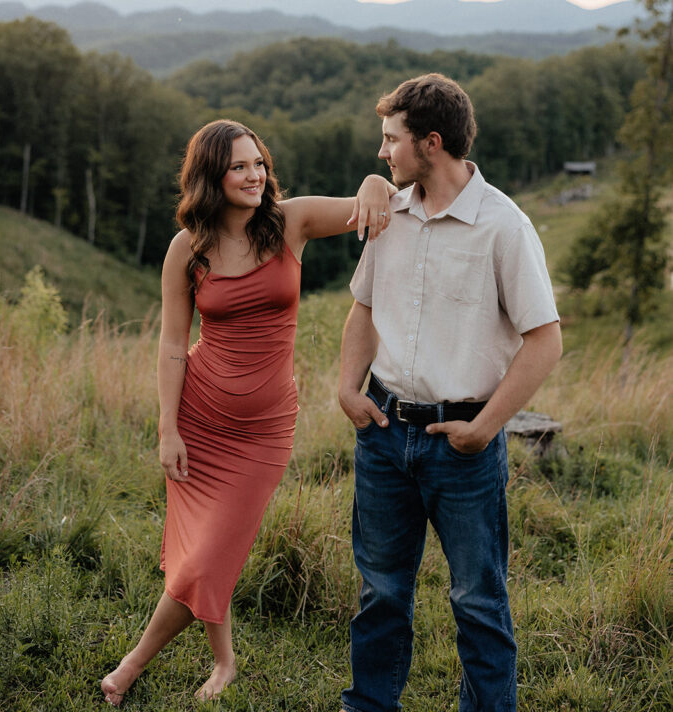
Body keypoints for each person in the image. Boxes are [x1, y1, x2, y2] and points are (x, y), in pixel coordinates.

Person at [101, 118, 393, 706]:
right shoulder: (188, 249)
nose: (254, 174)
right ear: (211, 175)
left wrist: (373, 179)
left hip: (263, 431)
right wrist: (167, 429)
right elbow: (170, 343)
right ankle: (224, 662)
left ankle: (130, 666)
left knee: (210, 552)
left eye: (258, 162)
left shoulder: (291, 223)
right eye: (239, 166)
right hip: (200, 417)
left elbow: (371, 203)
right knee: (208, 549)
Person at [338, 73, 562, 712]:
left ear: (430, 143)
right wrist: (347, 389)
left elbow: (545, 340)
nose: (382, 153)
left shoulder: (504, 227)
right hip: (383, 434)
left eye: (391, 141)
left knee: (478, 601)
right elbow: (362, 307)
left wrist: (485, 427)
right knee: (380, 593)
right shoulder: (391, 212)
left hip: (461, 446)